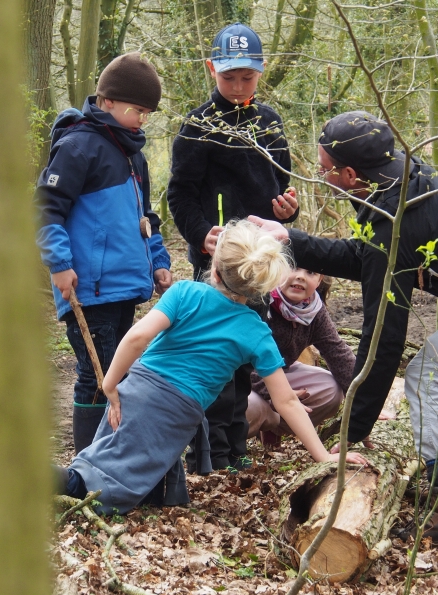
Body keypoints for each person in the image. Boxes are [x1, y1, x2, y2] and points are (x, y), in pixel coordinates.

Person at [252, 111, 438, 546]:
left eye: (326, 169)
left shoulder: (395, 216)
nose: (323, 176)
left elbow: (384, 336)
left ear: (350, 173)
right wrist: (290, 239)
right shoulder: (399, 182)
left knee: (429, 375)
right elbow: (370, 256)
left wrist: (354, 428)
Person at [54, 221, 367, 515]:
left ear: (214, 270)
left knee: (120, 454)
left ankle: (67, 484)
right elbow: (286, 402)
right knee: (111, 474)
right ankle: (56, 484)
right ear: (261, 286)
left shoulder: (184, 292)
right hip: (178, 410)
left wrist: (111, 385)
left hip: (138, 388)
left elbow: (137, 337)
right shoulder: (256, 332)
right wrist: (323, 456)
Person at [167, 23, 300, 470]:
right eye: (229, 78)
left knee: (245, 359)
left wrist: (287, 212)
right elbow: (179, 194)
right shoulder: (198, 125)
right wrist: (199, 231)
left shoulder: (270, 123)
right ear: (212, 70)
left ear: (260, 72)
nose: (238, 86)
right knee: (211, 357)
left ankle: (235, 451)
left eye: (247, 77)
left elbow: (282, 190)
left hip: (259, 263)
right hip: (216, 265)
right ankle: (208, 453)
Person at [36, 52, 173, 454]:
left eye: (148, 113)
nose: (142, 120)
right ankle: (87, 468)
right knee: (96, 376)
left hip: (126, 285)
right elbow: (46, 210)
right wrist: (60, 265)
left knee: (120, 370)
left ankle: (111, 457)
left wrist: (159, 263)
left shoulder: (135, 155)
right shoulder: (79, 146)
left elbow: (146, 217)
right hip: (88, 287)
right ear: (107, 101)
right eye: (137, 110)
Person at [246, 268, 357, 444]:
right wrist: (276, 395)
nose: (300, 276)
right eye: (293, 267)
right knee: (249, 408)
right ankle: (233, 445)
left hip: (281, 372)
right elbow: (240, 362)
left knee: (331, 390)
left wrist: (365, 403)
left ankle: (275, 428)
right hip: (242, 381)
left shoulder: (314, 310)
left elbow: (338, 352)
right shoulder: (257, 300)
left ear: (320, 280)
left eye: (311, 272)